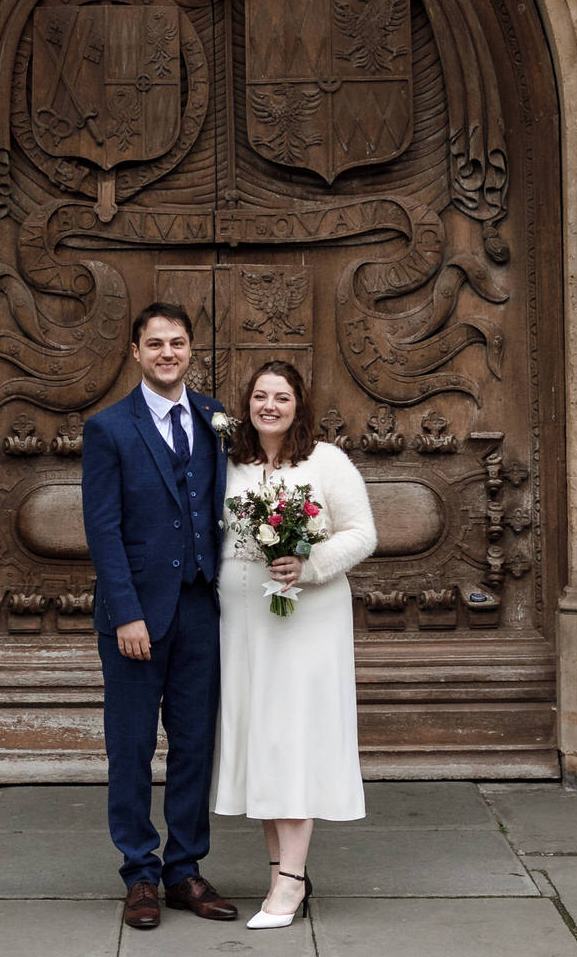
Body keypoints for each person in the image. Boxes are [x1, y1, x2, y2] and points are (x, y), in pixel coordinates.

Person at [81, 303, 237, 931]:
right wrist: (126, 613)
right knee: (132, 745)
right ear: (136, 352)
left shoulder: (215, 417)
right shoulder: (109, 428)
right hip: (138, 616)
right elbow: (103, 528)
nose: (167, 353)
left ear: (190, 350)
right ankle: (139, 873)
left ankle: (185, 870)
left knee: (196, 744)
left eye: (177, 343)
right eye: (155, 344)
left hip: (202, 606)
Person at [210, 358, 377, 930]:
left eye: (281, 397)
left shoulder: (325, 461)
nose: (270, 406)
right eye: (260, 396)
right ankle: (285, 872)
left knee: (295, 737)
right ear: (247, 403)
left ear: (298, 405)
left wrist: (307, 565)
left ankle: (290, 883)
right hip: (243, 617)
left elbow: (362, 533)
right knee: (264, 738)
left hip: (307, 615)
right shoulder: (229, 463)